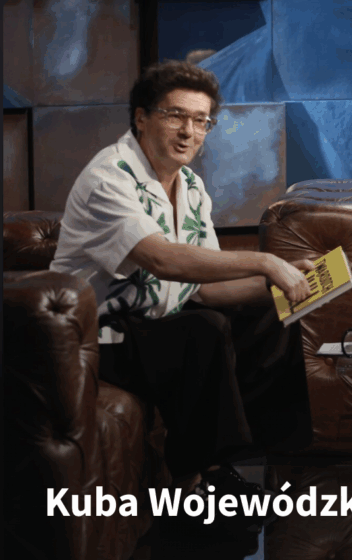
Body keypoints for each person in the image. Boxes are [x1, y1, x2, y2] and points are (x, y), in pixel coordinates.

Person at [50, 60, 315, 529]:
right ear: (141, 118)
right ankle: (202, 478)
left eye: (201, 120)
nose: (189, 131)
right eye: (175, 115)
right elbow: (163, 260)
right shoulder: (108, 177)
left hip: (156, 325)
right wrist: (265, 262)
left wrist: (282, 283)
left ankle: (270, 461)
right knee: (201, 330)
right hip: (99, 336)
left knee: (273, 313)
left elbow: (205, 288)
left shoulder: (190, 186)